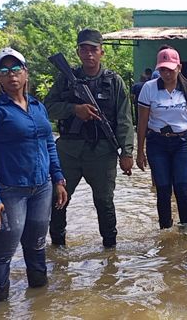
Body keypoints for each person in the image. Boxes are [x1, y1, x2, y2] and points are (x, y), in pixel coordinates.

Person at [0, 47, 68, 302]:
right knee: (3, 252)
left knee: (37, 246)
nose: (11, 75)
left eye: (16, 69)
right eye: (3, 70)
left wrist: (58, 179)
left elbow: (50, 144)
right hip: (9, 191)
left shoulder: (38, 107)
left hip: (42, 188)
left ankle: (40, 303)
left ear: (26, 73)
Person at [43, 28, 134, 248]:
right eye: (84, 49)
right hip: (68, 150)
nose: (89, 54)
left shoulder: (114, 81)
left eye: (93, 49)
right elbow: (47, 108)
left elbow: (124, 119)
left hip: (102, 152)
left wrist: (127, 152)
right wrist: (74, 109)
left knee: (104, 202)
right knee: (58, 199)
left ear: (102, 52)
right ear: (78, 52)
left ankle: (110, 251)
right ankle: (58, 249)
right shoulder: (65, 79)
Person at [136, 48, 187, 229]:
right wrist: (139, 151)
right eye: (162, 69)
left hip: (183, 143)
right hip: (157, 143)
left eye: (170, 69)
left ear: (179, 67)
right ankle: (165, 229)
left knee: (182, 189)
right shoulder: (149, 89)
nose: (166, 73)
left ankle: (186, 228)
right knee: (163, 189)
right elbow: (142, 121)